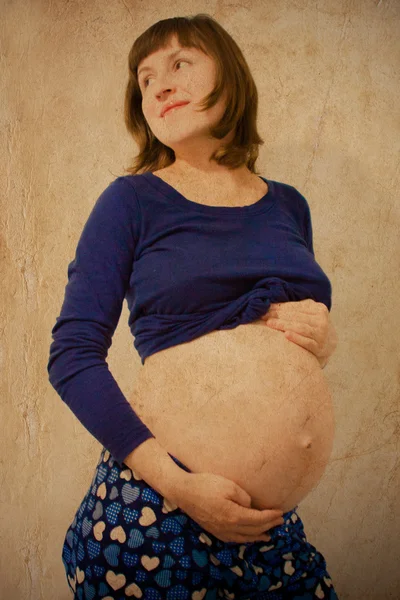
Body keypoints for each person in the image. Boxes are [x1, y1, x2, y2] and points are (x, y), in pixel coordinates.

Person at [48, 14, 340, 600]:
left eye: (180, 63)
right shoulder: (130, 201)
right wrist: (182, 487)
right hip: (160, 515)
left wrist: (324, 336)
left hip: (270, 534)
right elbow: (72, 357)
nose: (158, 84)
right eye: (145, 76)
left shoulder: (288, 205)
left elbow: (293, 340)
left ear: (230, 78)